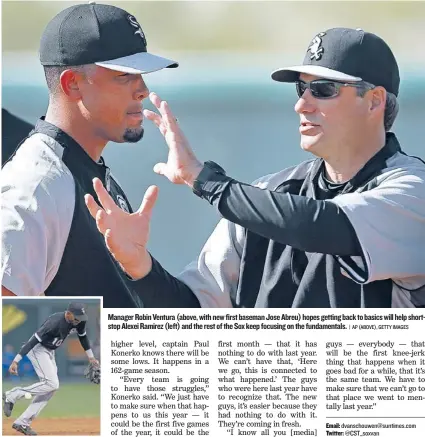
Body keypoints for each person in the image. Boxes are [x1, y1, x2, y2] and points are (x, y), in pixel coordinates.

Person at [85, 27, 425, 308]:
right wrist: (139, 266)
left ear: (375, 101)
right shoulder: (264, 199)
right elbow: (190, 312)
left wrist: (205, 180)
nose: (301, 104)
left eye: (323, 90)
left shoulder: (411, 190)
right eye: (300, 88)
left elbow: (324, 225)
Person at [0, 3, 197, 307]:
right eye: (124, 76)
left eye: (141, 75)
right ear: (73, 83)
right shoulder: (37, 184)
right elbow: (7, 333)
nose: (142, 90)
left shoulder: (82, 168)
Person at [2, 302, 99, 436]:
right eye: (76, 317)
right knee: (52, 383)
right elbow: (32, 342)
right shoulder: (54, 322)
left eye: (80, 317)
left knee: (51, 388)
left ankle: (22, 423)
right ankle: (12, 394)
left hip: (50, 351)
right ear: (68, 313)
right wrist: (16, 361)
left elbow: (83, 338)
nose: (79, 320)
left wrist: (91, 358)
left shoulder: (79, 320)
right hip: (38, 349)